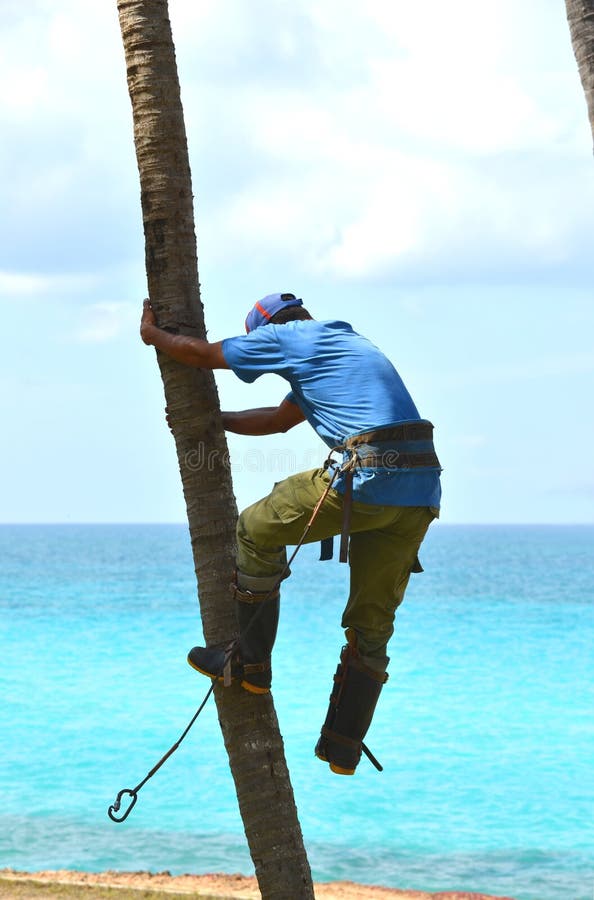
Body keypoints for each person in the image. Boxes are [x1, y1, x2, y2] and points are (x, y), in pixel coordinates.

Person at [140, 292, 441, 775]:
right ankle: (343, 745)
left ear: (267, 330)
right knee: (372, 622)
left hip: (369, 475)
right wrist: (214, 423)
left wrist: (153, 335)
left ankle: (250, 666)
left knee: (256, 529)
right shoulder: (336, 344)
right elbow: (278, 422)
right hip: (419, 491)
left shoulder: (285, 339)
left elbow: (201, 354)